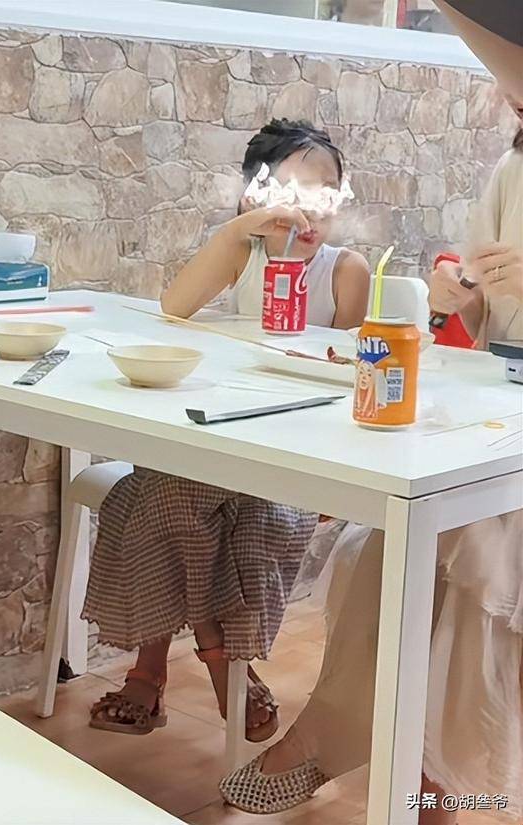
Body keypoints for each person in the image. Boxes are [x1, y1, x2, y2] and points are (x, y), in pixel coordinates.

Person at [220, 102, 523, 822]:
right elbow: (490, 322)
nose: (506, 93)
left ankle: (400, 773)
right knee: (389, 547)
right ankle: (418, 783)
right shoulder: (512, 169)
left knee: (464, 553)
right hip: (503, 410)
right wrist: (463, 301)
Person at [82, 119, 370, 741]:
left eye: (325, 190)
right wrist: (241, 229)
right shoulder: (244, 253)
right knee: (168, 487)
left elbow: (355, 372)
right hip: (221, 436)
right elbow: (174, 307)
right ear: (255, 194)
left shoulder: (345, 270)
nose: (308, 208)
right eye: (289, 189)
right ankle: (223, 663)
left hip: (291, 453)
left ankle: (150, 673)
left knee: (151, 493)